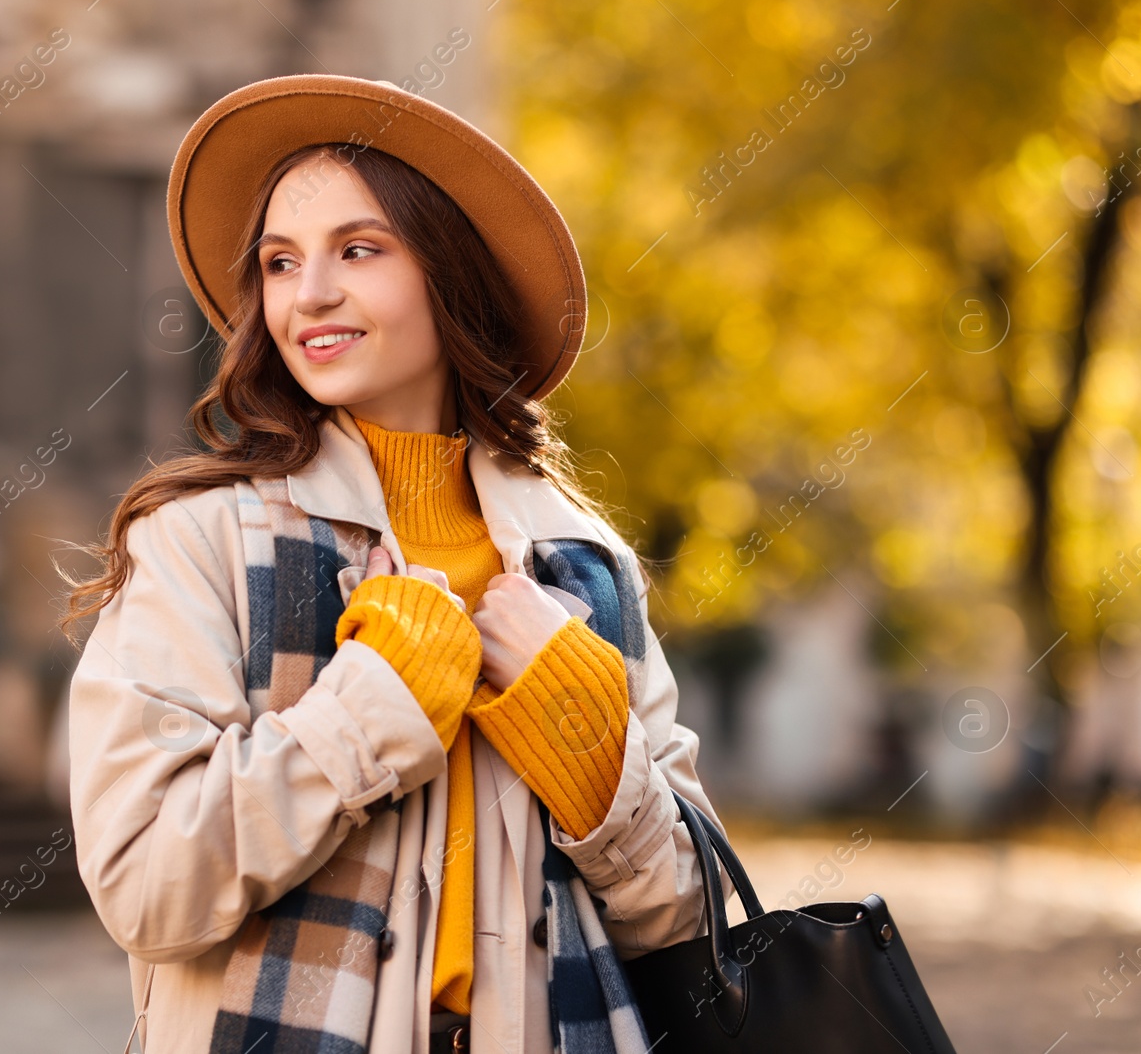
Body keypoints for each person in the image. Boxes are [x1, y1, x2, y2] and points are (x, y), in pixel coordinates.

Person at [60, 74, 721, 1054]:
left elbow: (684, 916)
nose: (309, 293)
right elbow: (146, 883)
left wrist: (593, 758)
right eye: (280, 263)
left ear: (452, 274)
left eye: (357, 250)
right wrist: (367, 711)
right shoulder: (204, 540)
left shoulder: (581, 566)